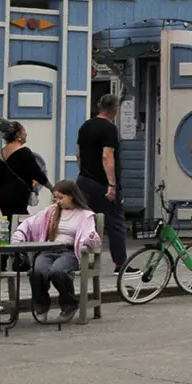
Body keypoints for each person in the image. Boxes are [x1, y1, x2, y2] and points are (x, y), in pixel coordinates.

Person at [13, 180, 100, 324]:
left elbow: (89, 235)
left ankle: (69, 305)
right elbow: (30, 224)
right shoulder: (51, 211)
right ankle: (41, 306)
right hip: (47, 250)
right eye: (56, 198)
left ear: (72, 196)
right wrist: (19, 236)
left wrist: (89, 240)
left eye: (61, 198)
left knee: (58, 272)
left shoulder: (85, 215)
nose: (58, 201)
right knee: (37, 271)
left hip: (69, 251)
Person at [76, 95, 129, 271]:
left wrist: (84, 171)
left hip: (84, 181)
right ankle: (120, 264)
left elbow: (78, 154)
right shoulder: (109, 128)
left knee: (83, 221)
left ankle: (77, 260)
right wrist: (112, 184)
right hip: (102, 183)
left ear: (100, 107)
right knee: (115, 223)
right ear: (115, 109)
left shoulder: (85, 126)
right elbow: (107, 156)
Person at [0, 117, 50, 233]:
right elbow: (38, 174)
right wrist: (52, 188)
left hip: (3, 198)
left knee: (9, 225)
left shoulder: (0, 156)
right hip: (18, 196)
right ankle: (20, 249)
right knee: (24, 226)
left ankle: (10, 248)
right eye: (24, 131)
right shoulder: (24, 153)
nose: (26, 134)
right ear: (18, 134)